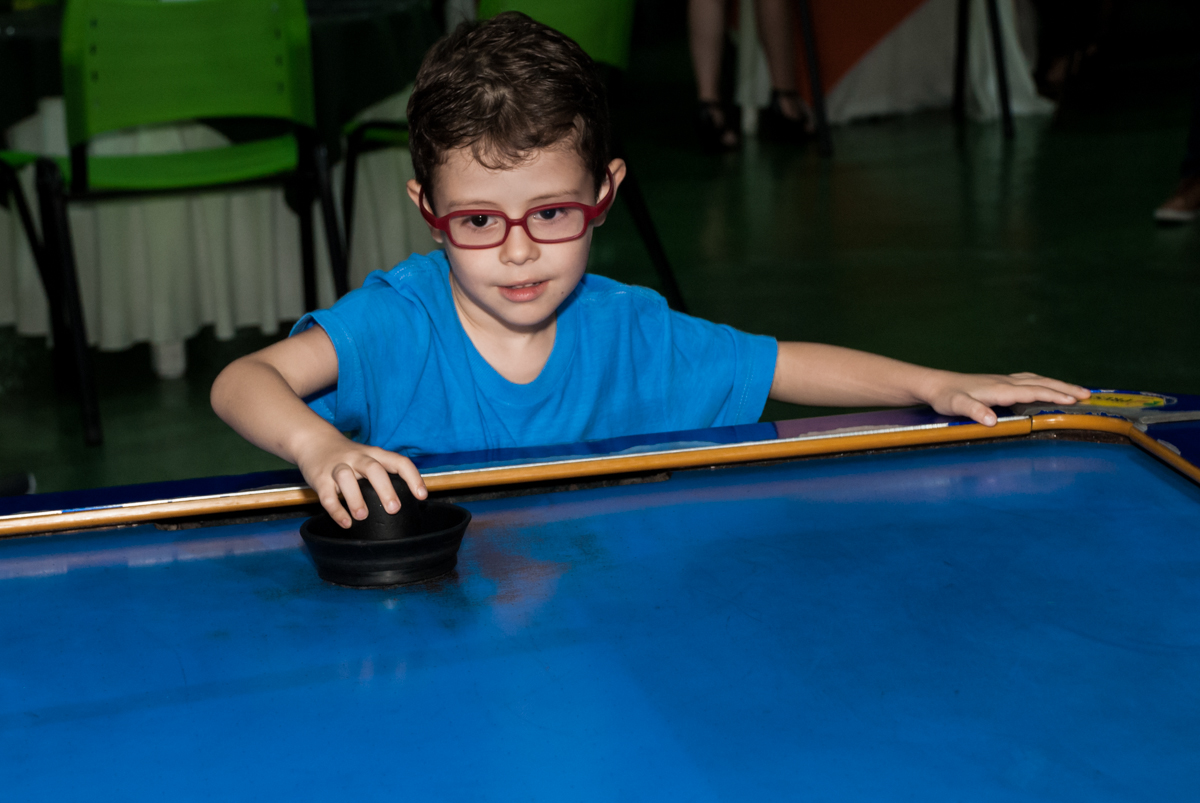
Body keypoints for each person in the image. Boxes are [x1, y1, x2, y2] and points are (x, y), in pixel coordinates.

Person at [210, 12, 1089, 529]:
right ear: (428, 212)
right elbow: (243, 381)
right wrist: (317, 444)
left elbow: (781, 363)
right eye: (478, 221)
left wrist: (934, 382)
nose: (518, 251)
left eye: (551, 213)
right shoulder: (396, 323)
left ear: (606, 191)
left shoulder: (629, 329)